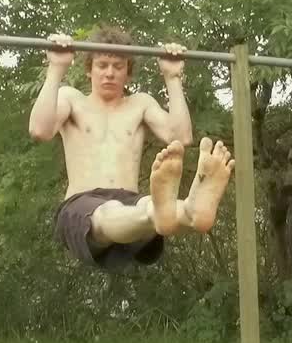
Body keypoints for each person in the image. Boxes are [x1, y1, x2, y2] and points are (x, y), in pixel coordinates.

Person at [28, 25, 235, 270]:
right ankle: (168, 213)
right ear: (89, 70)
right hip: (83, 206)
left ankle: (190, 211)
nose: (110, 73)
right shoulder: (71, 99)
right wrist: (56, 68)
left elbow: (180, 136)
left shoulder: (140, 104)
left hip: (131, 204)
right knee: (111, 211)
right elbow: (40, 130)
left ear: (127, 73)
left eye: (118, 67)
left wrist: (172, 78)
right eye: (102, 65)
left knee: (149, 205)